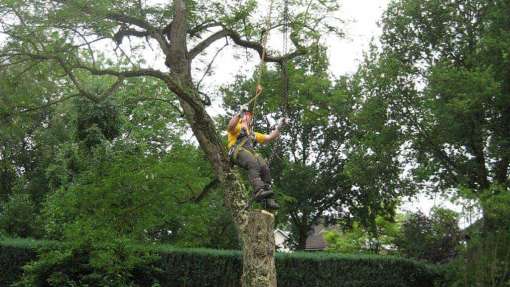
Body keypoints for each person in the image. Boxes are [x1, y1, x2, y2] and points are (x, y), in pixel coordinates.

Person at [227, 86, 287, 210]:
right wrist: (239, 113)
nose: (248, 117)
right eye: (247, 115)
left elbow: (269, 137)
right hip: (236, 151)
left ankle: (268, 199)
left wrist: (280, 126)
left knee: (264, 167)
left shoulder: (252, 133)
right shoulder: (237, 127)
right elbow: (230, 126)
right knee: (253, 163)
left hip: (248, 152)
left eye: (249, 116)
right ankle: (258, 190)